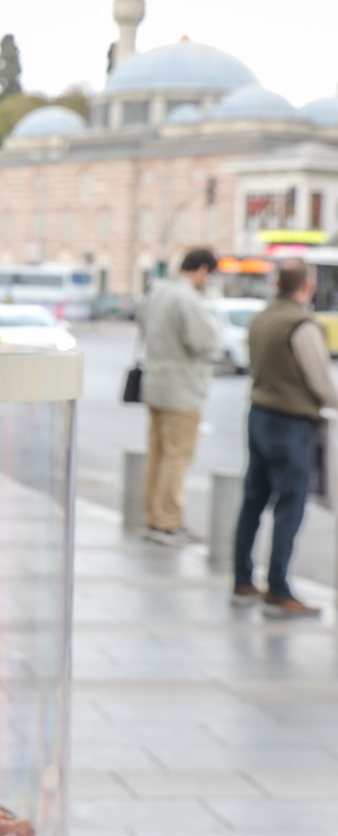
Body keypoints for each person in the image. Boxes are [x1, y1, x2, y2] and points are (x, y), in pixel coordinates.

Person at [229, 258, 337, 618]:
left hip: (259, 414)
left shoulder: (261, 317)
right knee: (290, 506)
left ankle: (243, 578)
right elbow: (320, 381)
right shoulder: (301, 324)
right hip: (290, 422)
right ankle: (278, 587)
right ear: (307, 287)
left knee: (253, 501)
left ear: (277, 284)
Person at [138, 247, 219, 545]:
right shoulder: (186, 298)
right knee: (177, 456)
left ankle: (152, 515)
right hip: (182, 388)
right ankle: (169, 521)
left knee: (157, 454)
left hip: (155, 383)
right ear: (202, 270)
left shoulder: (157, 291)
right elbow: (204, 340)